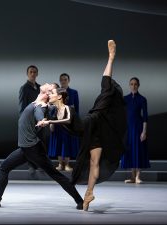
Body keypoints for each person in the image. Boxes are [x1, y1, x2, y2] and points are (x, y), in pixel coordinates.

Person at [37, 40, 127, 211]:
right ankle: (88, 196)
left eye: (54, 93)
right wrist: (46, 112)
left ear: (60, 97)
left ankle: (110, 58)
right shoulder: (55, 109)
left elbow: (66, 121)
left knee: (106, 88)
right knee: (94, 163)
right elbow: (48, 105)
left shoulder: (67, 109)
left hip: (93, 121)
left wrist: (49, 122)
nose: (51, 94)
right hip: (91, 134)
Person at [0, 83, 84, 210]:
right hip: (25, 149)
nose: (47, 84)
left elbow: (40, 116)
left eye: (50, 87)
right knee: (4, 168)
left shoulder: (41, 107)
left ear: (46, 94)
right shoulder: (36, 103)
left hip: (34, 149)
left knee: (55, 175)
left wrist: (42, 122)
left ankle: (80, 201)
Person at [47, 73, 80, 171]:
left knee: (67, 142)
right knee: (59, 142)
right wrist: (52, 121)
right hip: (57, 120)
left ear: (68, 80)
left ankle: (67, 164)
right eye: (61, 79)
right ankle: (60, 164)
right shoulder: (56, 92)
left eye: (65, 79)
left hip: (68, 121)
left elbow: (76, 109)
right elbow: (51, 105)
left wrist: (75, 122)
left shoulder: (74, 92)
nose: (63, 81)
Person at [120, 77, 150, 184]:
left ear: (138, 85)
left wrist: (144, 131)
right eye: (131, 84)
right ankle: (132, 176)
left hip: (138, 128)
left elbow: (145, 117)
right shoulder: (125, 99)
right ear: (129, 85)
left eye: (135, 84)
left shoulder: (142, 99)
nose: (133, 86)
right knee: (130, 151)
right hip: (127, 128)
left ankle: (138, 176)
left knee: (138, 150)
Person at [18, 65, 41, 175]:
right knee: (30, 143)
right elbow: (22, 106)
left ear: (37, 74)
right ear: (27, 74)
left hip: (39, 119)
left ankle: (40, 164)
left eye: (34, 72)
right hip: (29, 120)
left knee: (39, 141)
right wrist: (23, 120)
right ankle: (31, 165)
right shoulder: (24, 88)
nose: (32, 74)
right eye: (31, 72)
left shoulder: (40, 88)